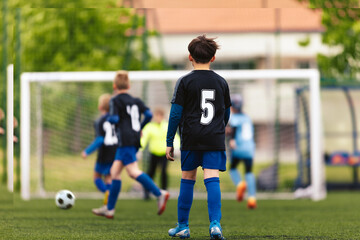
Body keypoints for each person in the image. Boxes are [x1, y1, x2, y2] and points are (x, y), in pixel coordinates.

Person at [166, 35, 231, 240]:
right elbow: (225, 113)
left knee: (187, 179)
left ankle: (183, 226)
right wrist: (217, 129)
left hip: (191, 138)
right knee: (212, 179)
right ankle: (215, 225)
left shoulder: (184, 81)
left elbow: (175, 114)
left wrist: (169, 141)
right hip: (214, 138)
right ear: (213, 58)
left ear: (190, 57)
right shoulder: (221, 82)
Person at [92, 70, 169, 219]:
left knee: (133, 171)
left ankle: (159, 193)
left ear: (115, 86)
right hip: (132, 139)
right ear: (129, 85)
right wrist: (140, 127)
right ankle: (109, 209)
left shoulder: (115, 100)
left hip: (125, 139)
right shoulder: (136, 100)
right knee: (114, 173)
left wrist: (110, 121)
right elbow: (148, 114)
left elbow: (114, 118)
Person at [82, 93, 117, 206]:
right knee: (109, 176)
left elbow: (100, 140)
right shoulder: (116, 119)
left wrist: (87, 151)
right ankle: (109, 197)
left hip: (104, 152)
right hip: (115, 151)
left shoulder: (100, 121)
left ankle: (107, 192)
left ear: (100, 107)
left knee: (97, 176)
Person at [228, 94, 257, 209]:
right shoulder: (247, 117)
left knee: (233, 168)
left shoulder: (234, 117)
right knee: (249, 172)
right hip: (250, 148)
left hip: (238, 147)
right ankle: (252, 198)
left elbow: (234, 128)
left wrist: (232, 139)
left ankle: (240, 184)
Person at [141, 107, 174, 200]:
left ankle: (164, 192)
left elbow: (174, 137)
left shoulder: (167, 126)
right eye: (156, 116)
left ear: (162, 117)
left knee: (164, 172)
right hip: (154, 153)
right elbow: (144, 138)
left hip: (164, 154)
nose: (158, 118)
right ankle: (146, 192)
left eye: (160, 116)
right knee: (151, 172)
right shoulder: (150, 126)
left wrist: (176, 147)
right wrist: (140, 148)